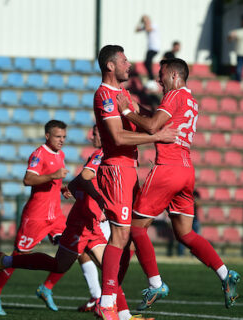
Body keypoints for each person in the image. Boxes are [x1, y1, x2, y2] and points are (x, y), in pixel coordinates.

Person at [0, 125, 153, 320]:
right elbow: (83, 178)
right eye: (95, 133)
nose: (93, 137)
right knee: (62, 266)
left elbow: (76, 183)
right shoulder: (101, 154)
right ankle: (4, 263)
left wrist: (75, 191)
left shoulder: (97, 154)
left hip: (87, 223)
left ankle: (122, 315)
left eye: (97, 133)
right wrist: (99, 200)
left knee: (108, 269)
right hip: (76, 223)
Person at [116, 58, 240, 310]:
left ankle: (155, 283)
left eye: (162, 75)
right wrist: (138, 108)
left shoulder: (174, 95)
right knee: (185, 233)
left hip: (167, 169)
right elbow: (161, 121)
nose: (159, 80)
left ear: (174, 75)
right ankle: (225, 274)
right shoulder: (191, 101)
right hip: (186, 171)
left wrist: (127, 112)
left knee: (136, 229)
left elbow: (152, 127)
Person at [93, 45, 177, 320]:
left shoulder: (125, 95)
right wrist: (156, 138)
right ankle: (105, 302)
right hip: (116, 170)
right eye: (125, 61)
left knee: (127, 237)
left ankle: (123, 311)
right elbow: (117, 138)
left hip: (130, 170)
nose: (129, 65)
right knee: (119, 236)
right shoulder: (105, 95)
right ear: (110, 66)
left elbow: (149, 122)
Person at [0, 120, 71, 316]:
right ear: (47, 135)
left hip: (55, 215)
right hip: (36, 216)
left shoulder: (61, 154)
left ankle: (47, 287)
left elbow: (53, 181)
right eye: (58, 136)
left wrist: (63, 188)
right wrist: (53, 176)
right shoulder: (38, 154)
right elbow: (28, 179)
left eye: (64, 137)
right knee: (18, 257)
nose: (62, 140)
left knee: (72, 249)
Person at [136, 15, 161, 83]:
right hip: (150, 48)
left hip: (155, 47)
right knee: (147, 62)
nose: (145, 22)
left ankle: (151, 79)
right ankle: (151, 78)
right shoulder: (146, 26)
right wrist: (140, 22)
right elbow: (136, 30)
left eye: (146, 20)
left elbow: (148, 29)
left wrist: (144, 23)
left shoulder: (154, 25)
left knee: (148, 62)